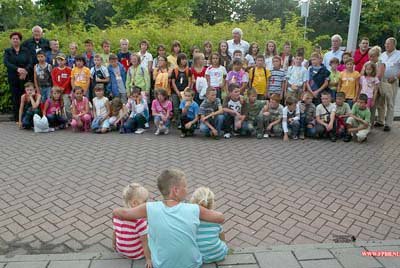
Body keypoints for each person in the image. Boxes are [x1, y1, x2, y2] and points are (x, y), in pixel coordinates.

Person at [113, 169, 224, 268]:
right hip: (192, 264)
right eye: (185, 186)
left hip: (161, 265)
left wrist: (114, 211)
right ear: (175, 190)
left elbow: (124, 213)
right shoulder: (195, 209)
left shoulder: (149, 208)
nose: (187, 189)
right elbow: (220, 218)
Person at [112, 182, 152, 265]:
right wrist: (148, 259)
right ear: (134, 203)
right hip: (136, 254)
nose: (147, 203)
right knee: (150, 234)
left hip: (121, 251)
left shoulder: (117, 215)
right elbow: (145, 242)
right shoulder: (140, 221)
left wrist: (114, 244)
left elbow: (114, 232)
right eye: (145, 201)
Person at [190, 187, 228, 263]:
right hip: (219, 254)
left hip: (199, 257)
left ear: (193, 201)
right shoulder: (216, 219)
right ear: (211, 204)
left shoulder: (190, 219)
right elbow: (222, 236)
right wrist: (224, 243)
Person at [4, 32, 32, 121]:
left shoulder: (26, 50)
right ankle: (17, 117)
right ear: (11, 40)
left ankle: (26, 116)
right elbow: (6, 63)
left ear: (20, 40)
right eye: (13, 39)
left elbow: (30, 62)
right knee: (15, 97)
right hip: (13, 77)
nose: (15, 40)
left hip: (24, 77)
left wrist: (25, 71)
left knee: (25, 95)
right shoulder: (8, 51)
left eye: (17, 39)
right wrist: (17, 69)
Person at [379, 37, 400, 132]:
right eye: (386, 43)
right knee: (381, 102)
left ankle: (388, 124)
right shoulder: (382, 54)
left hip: (393, 81)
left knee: (390, 103)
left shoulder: (399, 54)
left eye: (389, 44)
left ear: (394, 45)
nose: (386, 45)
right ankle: (380, 120)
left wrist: (395, 77)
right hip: (382, 81)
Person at [366, 46, 385, 128]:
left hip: (376, 88)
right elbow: (364, 73)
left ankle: (370, 124)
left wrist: (371, 82)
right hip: (367, 88)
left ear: (377, 56)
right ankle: (367, 123)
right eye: (369, 56)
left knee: (373, 106)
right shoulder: (368, 63)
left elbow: (379, 76)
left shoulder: (380, 64)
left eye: (372, 56)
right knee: (368, 106)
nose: (370, 58)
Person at [171, 53, 192, 125]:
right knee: (176, 107)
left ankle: (183, 121)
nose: (184, 61)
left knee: (184, 107)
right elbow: (173, 82)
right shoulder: (175, 70)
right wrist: (177, 92)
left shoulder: (188, 70)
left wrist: (187, 90)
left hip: (185, 92)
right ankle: (177, 121)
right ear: (179, 60)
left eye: (185, 59)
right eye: (182, 59)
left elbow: (189, 81)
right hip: (175, 92)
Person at [51, 53, 72, 120]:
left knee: (67, 106)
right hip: (57, 92)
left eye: (62, 60)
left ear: (65, 61)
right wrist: (57, 88)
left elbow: (69, 79)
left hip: (66, 91)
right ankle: (60, 120)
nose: (60, 61)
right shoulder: (54, 70)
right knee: (58, 106)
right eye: (59, 60)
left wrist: (63, 87)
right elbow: (53, 79)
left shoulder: (69, 69)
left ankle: (70, 119)